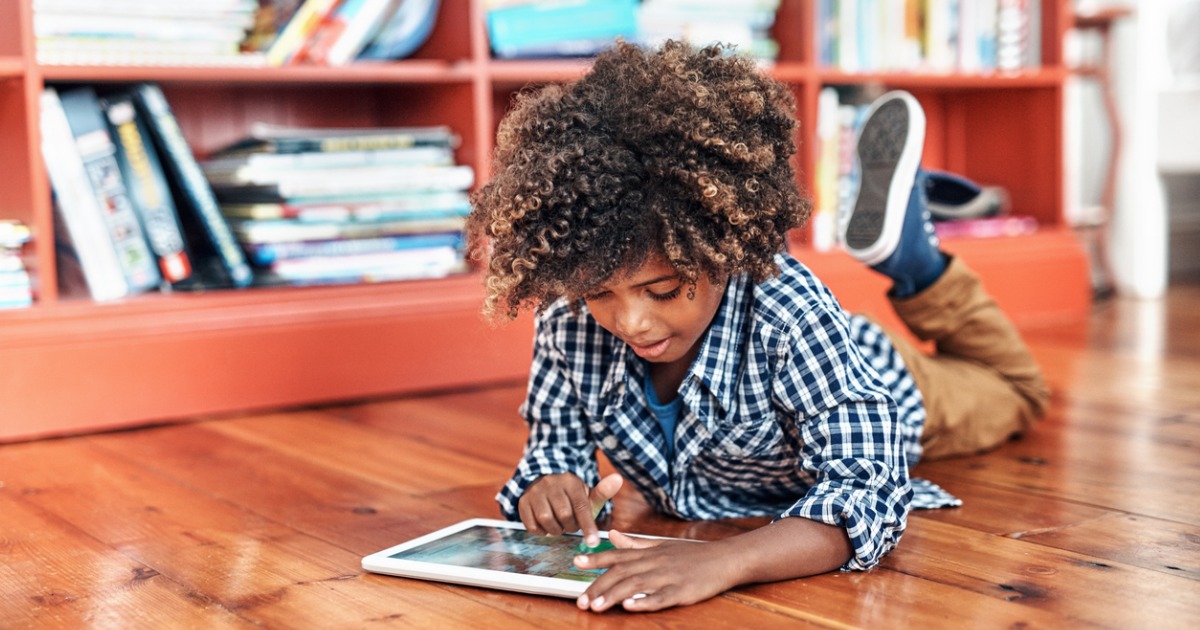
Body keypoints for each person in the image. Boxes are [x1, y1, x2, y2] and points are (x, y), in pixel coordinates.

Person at [466, 40, 1049, 613]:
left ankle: (919, 266)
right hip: (812, 362)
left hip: (879, 377)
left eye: (663, 289)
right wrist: (550, 488)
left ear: (727, 249)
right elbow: (552, 449)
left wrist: (725, 562)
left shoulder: (787, 309)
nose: (632, 322)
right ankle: (916, 257)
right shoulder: (568, 319)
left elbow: (867, 491)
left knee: (1019, 391)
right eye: (599, 293)